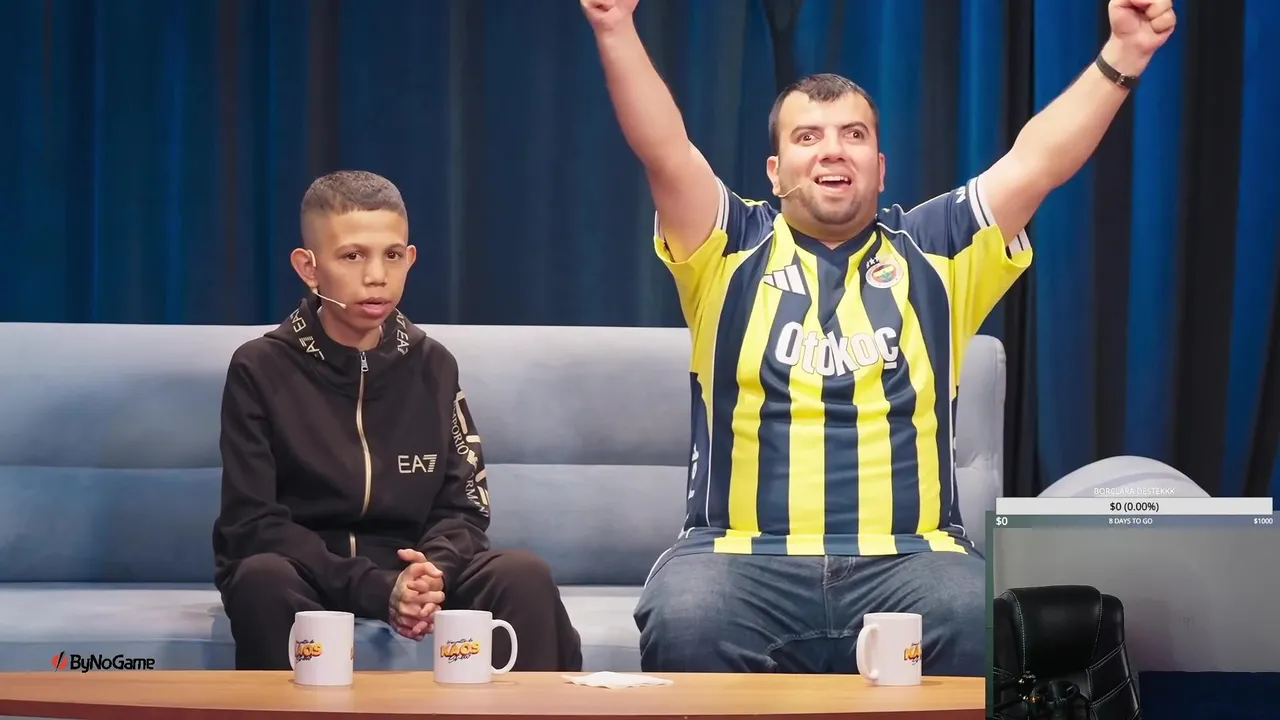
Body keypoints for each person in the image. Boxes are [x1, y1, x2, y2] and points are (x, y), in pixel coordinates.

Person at [582, 0, 1176, 675]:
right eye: (807, 136)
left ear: (880, 166)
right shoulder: (727, 246)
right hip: (737, 557)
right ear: (774, 172)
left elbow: (1036, 162)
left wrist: (1124, 54)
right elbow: (666, 152)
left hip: (913, 560)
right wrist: (615, 28)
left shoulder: (938, 250)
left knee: (977, 616)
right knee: (685, 616)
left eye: (854, 134)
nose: (832, 149)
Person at [212, 170, 582, 672]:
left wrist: (431, 574)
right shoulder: (260, 367)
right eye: (352, 256)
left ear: (410, 259)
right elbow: (253, 524)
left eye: (391, 255)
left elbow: (464, 508)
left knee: (523, 575)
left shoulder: (434, 365)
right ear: (309, 268)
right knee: (262, 580)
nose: (376, 276)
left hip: (414, 569)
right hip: (309, 572)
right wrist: (377, 588)